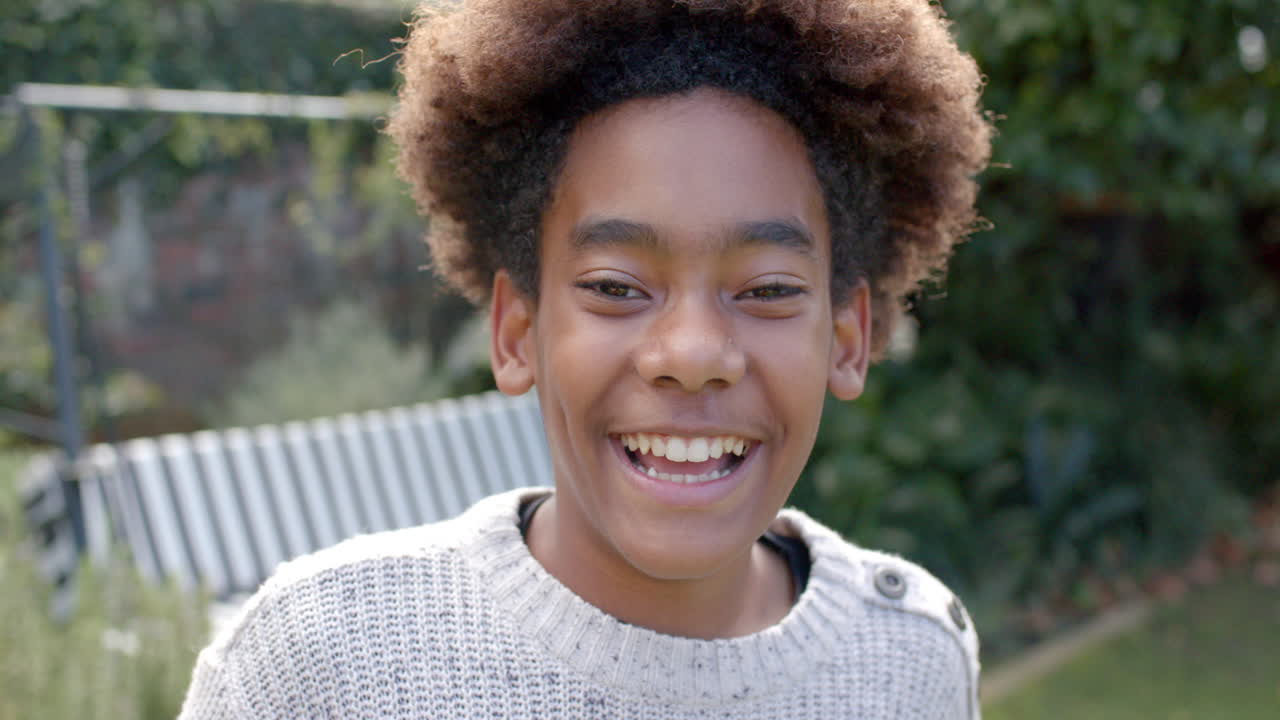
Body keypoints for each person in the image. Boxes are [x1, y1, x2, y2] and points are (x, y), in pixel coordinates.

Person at [179, 0, 991, 717]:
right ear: (516, 334)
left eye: (768, 289)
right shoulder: (322, 661)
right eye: (614, 287)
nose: (692, 354)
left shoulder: (912, 659)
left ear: (847, 341)